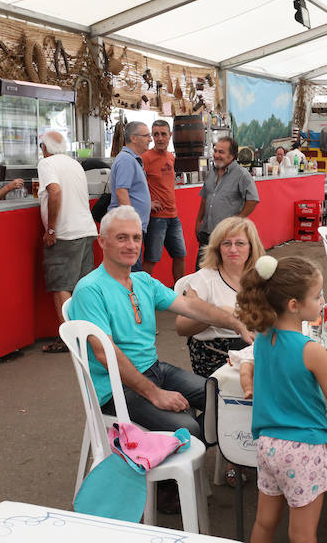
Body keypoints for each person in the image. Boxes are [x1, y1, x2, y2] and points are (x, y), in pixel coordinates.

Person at [69, 205, 253, 441]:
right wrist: (155, 394)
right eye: (121, 238)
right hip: (115, 388)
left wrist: (236, 324)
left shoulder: (142, 280)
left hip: (154, 369)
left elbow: (191, 307)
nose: (132, 245)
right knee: (190, 428)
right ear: (102, 241)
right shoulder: (90, 289)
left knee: (226, 397)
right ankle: (166, 472)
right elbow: (106, 354)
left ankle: (172, 461)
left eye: (136, 238)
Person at [237, 255, 327, 543]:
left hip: (268, 445)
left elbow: (289, 371)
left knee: (264, 523)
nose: (321, 301)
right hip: (305, 448)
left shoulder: (263, 338)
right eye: (317, 296)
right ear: (294, 305)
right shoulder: (311, 350)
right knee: (302, 533)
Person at [176, 216, 265, 378]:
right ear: (218, 248)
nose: (233, 249)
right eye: (226, 243)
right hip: (216, 354)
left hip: (254, 347)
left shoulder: (260, 277)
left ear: (251, 247)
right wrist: (218, 314)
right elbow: (181, 327)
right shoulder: (204, 279)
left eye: (240, 243)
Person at [37, 129, 98, 353]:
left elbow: (54, 192)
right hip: (86, 230)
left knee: (62, 286)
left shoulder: (47, 164)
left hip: (65, 233)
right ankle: (85, 336)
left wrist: (51, 228)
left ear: (44, 148)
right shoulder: (74, 164)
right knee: (81, 288)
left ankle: (69, 340)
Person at [195, 136, 259, 268]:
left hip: (226, 235)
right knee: (201, 270)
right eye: (216, 151)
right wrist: (198, 220)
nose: (216, 155)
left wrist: (236, 222)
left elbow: (253, 200)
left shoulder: (242, 175)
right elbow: (205, 196)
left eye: (221, 152)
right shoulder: (211, 172)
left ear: (232, 155)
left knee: (223, 271)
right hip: (206, 232)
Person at [142, 120, 186, 282]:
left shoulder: (170, 157)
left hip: (173, 217)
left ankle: (179, 292)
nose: (159, 138)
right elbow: (135, 186)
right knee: (151, 259)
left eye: (163, 134)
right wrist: (148, 203)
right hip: (156, 218)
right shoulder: (145, 158)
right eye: (156, 134)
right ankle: (143, 295)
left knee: (180, 255)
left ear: (170, 136)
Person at [108, 121, 152, 271]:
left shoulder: (132, 159)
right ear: (133, 138)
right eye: (146, 136)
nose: (150, 139)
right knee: (131, 271)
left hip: (133, 228)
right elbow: (122, 192)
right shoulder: (126, 160)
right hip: (128, 229)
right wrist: (131, 222)